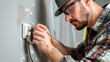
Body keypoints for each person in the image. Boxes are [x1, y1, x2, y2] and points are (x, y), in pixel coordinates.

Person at [32, 0, 110, 62]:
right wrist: (50, 40)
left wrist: (49, 49)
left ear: (86, 1)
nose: (67, 19)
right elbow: (76, 55)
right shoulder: (96, 29)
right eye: (65, 13)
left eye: (70, 9)